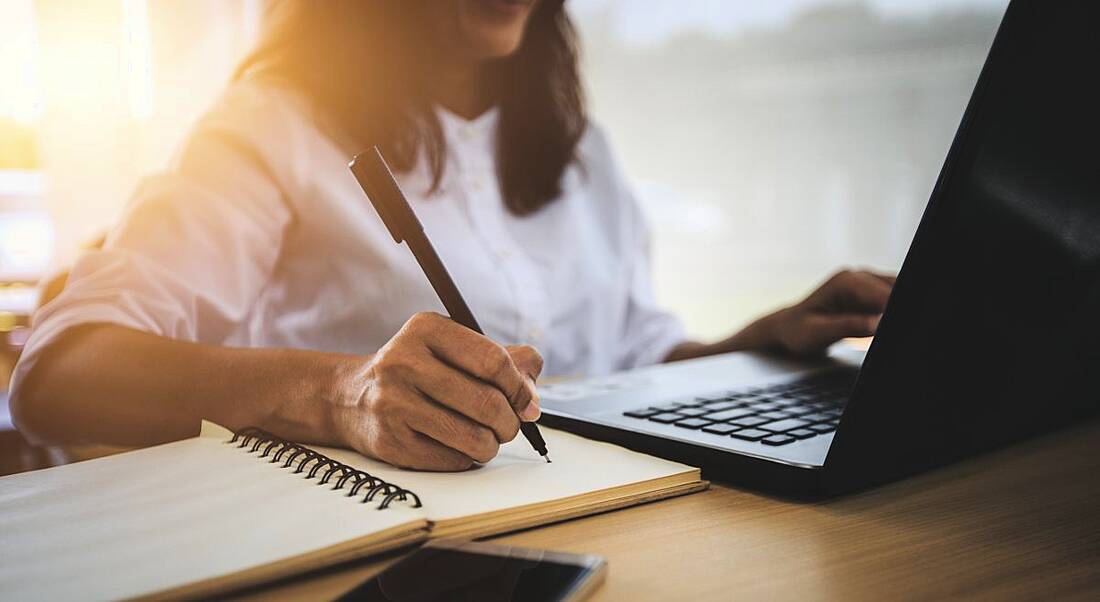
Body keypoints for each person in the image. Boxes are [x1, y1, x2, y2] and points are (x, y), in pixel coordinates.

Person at [9, 0, 893, 471]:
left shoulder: (576, 145)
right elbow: (58, 375)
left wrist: (762, 340)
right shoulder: (266, 129)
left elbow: (625, 356)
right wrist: (342, 394)